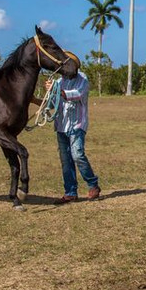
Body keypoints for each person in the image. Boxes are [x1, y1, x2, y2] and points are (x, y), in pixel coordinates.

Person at [44, 52, 101, 204]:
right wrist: (49, 92)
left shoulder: (83, 79)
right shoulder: (58, 82)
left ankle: (93, 184)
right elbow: (51, 104)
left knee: (77, 155)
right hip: (61, 125)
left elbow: (76, 94)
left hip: (77, 124)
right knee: (65, 160)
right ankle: (70, 192)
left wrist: (56, 90)